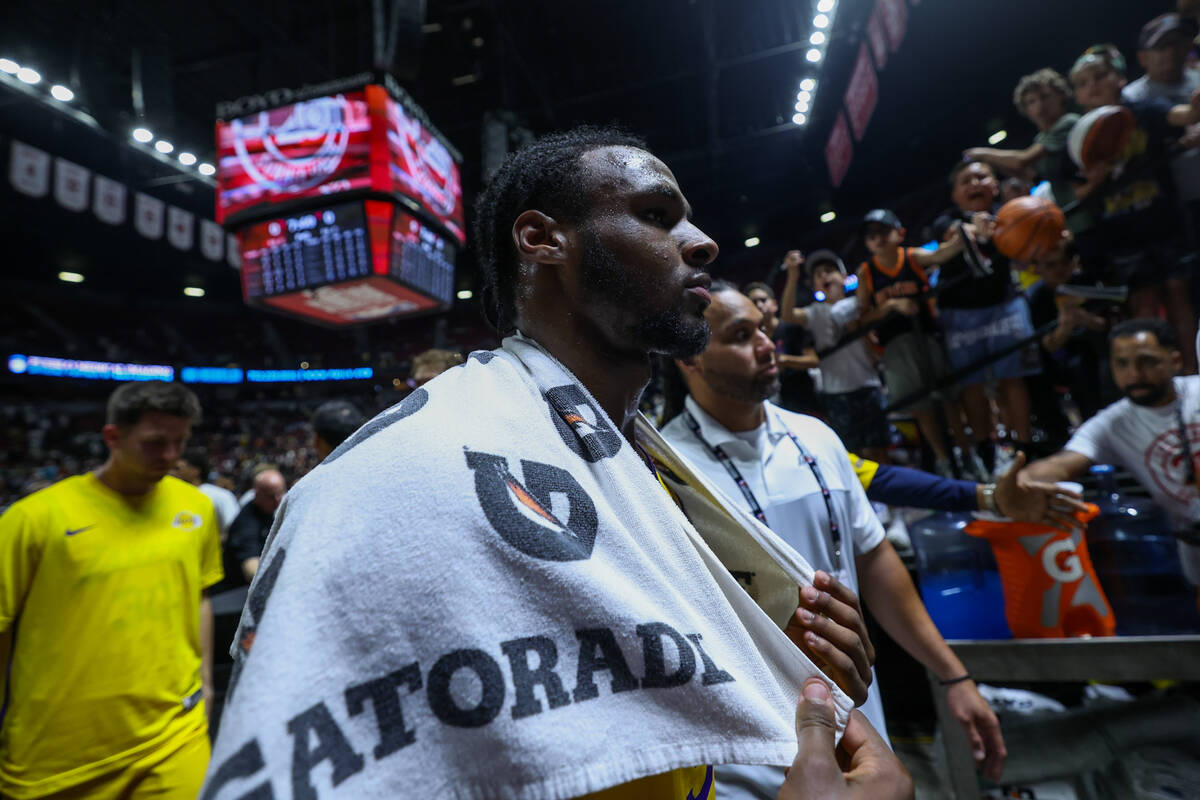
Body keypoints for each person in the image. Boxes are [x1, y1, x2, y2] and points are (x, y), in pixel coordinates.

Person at [204, 126, 904, 800]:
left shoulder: (638, 460)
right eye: (657, 215)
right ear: (541, 240)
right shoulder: (397, 472)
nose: (703, 242)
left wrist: (750, 656)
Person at [661, 283, 1008, 793]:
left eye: (763, 328)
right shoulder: (670, 470)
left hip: (859, 716)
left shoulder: (817, 438)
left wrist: (952, 676)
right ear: (689, 357)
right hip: (755, 756)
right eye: (740, 336)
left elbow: (871, 560)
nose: (765, 345)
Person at [0, 381, 222, 799]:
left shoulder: (196, 508)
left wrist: (207, 685)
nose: (172, 456)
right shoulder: (31, 520)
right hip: (55, 758)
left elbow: (199, 595)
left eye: (181, 442)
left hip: (175, 738)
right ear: (112, 437)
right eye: (156, 443)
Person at [1019, 318, 1200, 590]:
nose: (1135, 374)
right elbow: (1062, 464)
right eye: (1122, 364)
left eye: (1147, 361)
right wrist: (1022, 481)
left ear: (1174, 360)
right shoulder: (1112, 424)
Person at [1070, 44, 1200, 373]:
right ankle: (1155, 377)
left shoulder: (1144, 110)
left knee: (1178, 294)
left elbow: (1183, 116)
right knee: (1143, 302)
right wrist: (1096, 179)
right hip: (1121, 235)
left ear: (1120, 78)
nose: (1093, 85)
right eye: (1083, 83)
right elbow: (1078, 192)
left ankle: (1191, 372)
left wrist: (1194, 107)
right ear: (1077, 96)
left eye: (1100, 76)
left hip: (1164, 220)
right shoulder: (1078, 137)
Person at [855, 208, 981, 479]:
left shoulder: (911, 256)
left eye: (883, 231)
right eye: (871, 235)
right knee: (921, 408)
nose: (878, 239)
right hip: (895, 347)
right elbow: (863, 317)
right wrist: (891, 305)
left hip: (927, 336)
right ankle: (944, 461)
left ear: (899, 233)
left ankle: (968, 455)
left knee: (949, 399)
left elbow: (943, 253)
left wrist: (966, 232)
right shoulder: (866, 273)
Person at [931, 161, 1041, 460]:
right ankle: (986, 452)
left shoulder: (1013, 215)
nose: (974, 184)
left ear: (994, 185)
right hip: (959, 314)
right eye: (965, 180)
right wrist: (972, 230)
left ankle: (1025, 448)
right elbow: (950, 233)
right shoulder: (946, 220)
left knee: (1013, 378)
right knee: (972, 384)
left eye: (981, 177)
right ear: (955, 195)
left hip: (1004, 306)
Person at [779, 249, 890, 463]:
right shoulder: (815, 312)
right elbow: (787, 315)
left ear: (843, 276)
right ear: (814, 286)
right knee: (856, 458)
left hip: (869, 386)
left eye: (829, 271)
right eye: (818, 275)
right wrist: (792, 275)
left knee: (880, 452)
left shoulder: (859, 304)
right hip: (837, 394)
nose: (824, 276)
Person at [965, 68, 1087, 237]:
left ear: (1061, 95)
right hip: (1074, 220)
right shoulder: (1041, 138)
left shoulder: (1067, 122)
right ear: (1025, 109)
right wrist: (994, 165)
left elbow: (1023, 160)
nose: (1040, 105)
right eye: (1031, 101)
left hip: (1090, 211)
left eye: (1045, 96)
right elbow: (1028, 174)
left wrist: (982, 154)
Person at [1024, 238, 1109, 448]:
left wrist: (1085, 319)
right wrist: (1066, 325)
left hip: (1093, 354)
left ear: (1074, 262)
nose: (1059, 270)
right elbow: (1047, 346)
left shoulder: (1088, 284)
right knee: (1033, 380)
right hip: (1053, 364)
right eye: (1050, 265)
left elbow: (1110, 323)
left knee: (1087, 365)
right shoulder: (1036, 298)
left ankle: (1100, 436)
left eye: (1064, 262)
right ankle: (1059, 442)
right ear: (1037, 269)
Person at [746, 277, 821, 416]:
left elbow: (813, 361)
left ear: (774, 304)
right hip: (774, 407)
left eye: (763, 300)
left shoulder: (792, 328)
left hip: (804, 401)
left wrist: (783, 360)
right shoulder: (750, 339)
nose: (759, 305)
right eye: (753, 302)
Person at [225, 466, 286, 584]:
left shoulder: (269, 509)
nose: (277, 500)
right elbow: (251, 565)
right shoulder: (246, 522)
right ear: (257, 494)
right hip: (236, 591)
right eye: (270, 496)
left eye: (280, 493)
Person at [1123, 13, 1200, 105]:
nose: (1171, 51)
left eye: (1177, 43)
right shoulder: (1131, 97)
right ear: (1143, 57)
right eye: (1162, 46)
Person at [173, 445, 240, 537]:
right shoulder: (174, 494)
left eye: (177, 469)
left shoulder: (219, 495)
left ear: (195, 471)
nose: (172, 473)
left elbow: (234, 530)